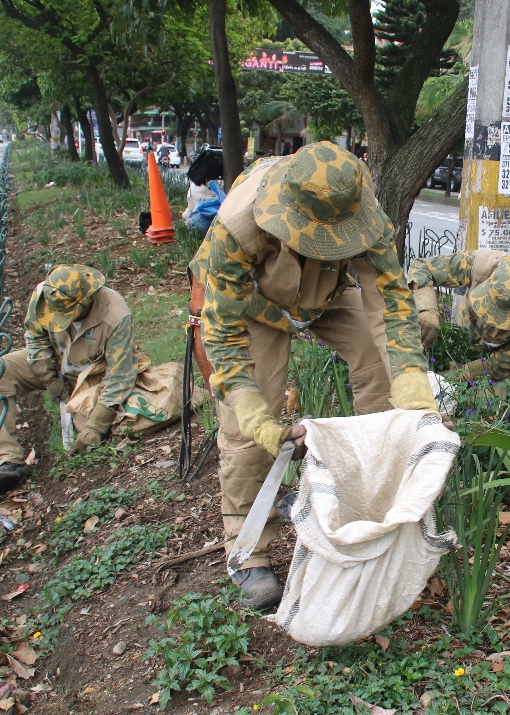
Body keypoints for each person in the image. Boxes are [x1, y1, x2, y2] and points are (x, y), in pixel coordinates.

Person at [194, 141, 439, 608]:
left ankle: (369, 500)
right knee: (248, 423)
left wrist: (412, 383)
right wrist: (253, 412)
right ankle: (248, 556)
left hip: (326, 294)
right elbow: (222, 336)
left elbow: (391, 302)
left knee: (380, 370)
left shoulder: (361, 209)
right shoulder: (238, 224)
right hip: (257, 306)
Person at [0, 265, 137, 492]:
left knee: (91, 429)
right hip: (56, 362)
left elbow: (120, 374)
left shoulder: (115, 313)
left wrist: (95, 428)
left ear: (86, 300)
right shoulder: (44, 295)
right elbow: (36, 337)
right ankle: (8, 459)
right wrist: (48, 377)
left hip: (90, 376)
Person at [409, 250, 510, 380]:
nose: (494, 320)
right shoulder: (482, 264)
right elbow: (421, 267)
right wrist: (427, 309)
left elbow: (503, 363)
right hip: (472, 333)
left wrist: (459, 374)